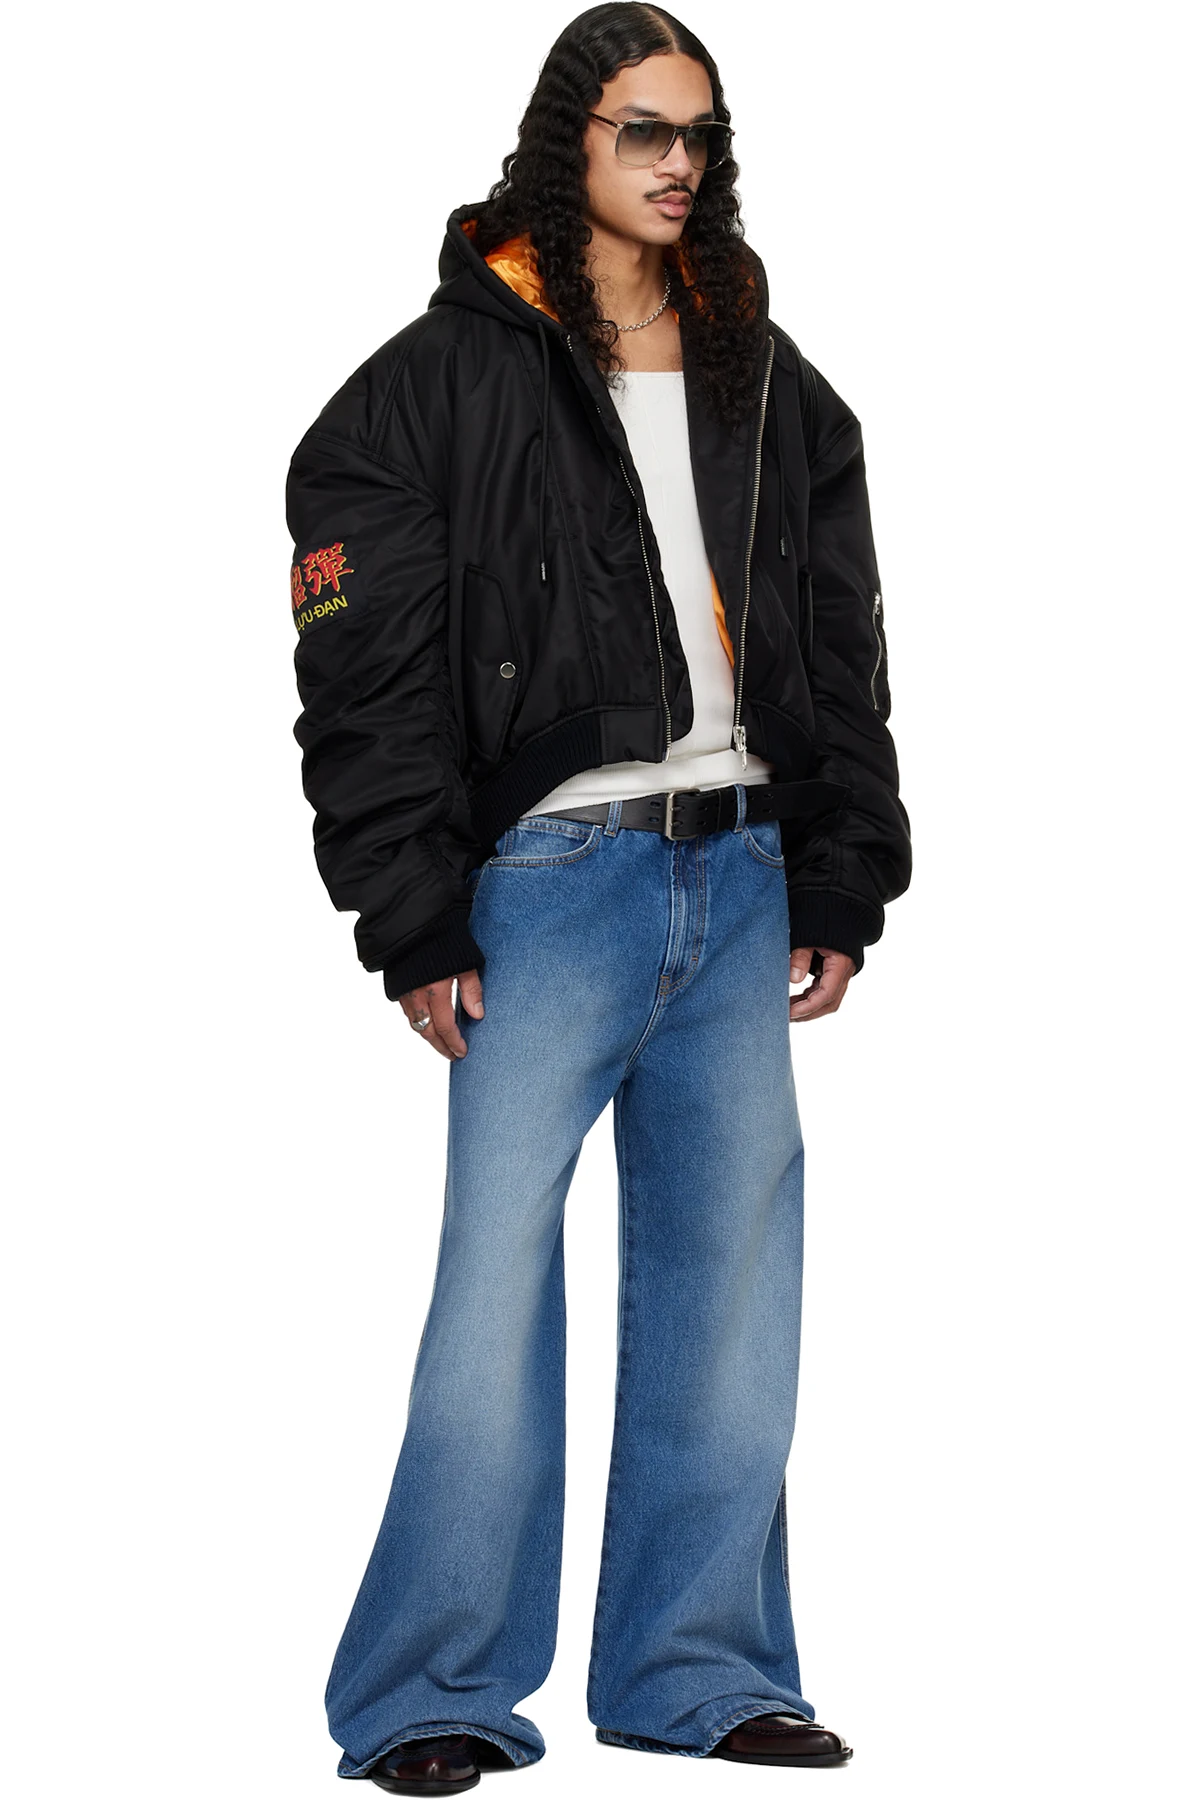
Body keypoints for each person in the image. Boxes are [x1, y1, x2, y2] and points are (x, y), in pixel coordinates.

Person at [285, 5, 910, 1788]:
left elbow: (841, 639)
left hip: (746, 869)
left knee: (732, 1297)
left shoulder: (763, 370)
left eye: (700, 134)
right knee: (493, 1300)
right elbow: (363, 676)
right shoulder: (431, 383)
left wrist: (843, 864)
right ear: (569, 136)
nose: (678, 164)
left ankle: (696, 1669)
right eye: (645, 129)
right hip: (546, 887)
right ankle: (429, 1691)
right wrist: (413, 912)